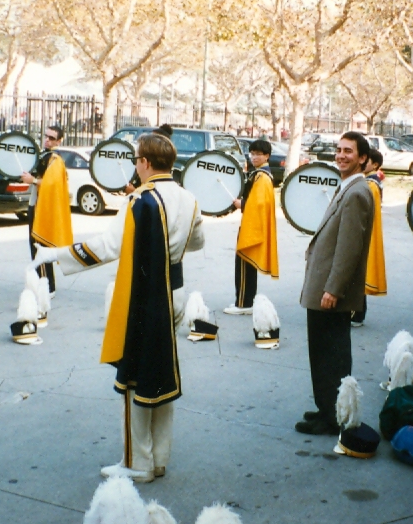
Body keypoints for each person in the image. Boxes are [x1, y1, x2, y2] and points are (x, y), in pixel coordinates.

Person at [31, 133, 204, 482]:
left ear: (145, 163)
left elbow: (108, 247)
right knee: (162, 371)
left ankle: (137, 464)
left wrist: (56, 254)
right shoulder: (189, 198)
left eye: (136, 160)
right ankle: (159, 458)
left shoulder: (139, 200)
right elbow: (197, 242)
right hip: (176, 291)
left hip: (144, 295)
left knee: (136, 378)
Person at [297, 132, 374, 435]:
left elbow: (349, 249)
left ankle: (334, 417)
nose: (341, 155)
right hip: (324, 286)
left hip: (330, 290)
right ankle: (326, 408)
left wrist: (334, 289)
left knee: (331, 355)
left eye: (349, 152)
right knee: (322, 352)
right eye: (339, 150)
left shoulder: (357, 193)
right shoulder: (348, 187)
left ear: (363, 158)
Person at [224, 139, 278, 315]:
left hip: (252, 227)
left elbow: (259, 204)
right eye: (252, 153)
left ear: (267, 156)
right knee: (246, 266)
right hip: (253, 224)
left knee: (244, 264)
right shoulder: (262, 174)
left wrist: (242, 204)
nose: (254, 157)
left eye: (258, 154)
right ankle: (245, 301)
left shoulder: (261, 176)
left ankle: (244, 303)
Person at [21, 124, 72, 295]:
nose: (47, 141)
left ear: (59, 140)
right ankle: (44, 284)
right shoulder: (46, 157)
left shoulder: (56, 160)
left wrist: (32, 181)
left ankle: (47, 286)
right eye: (46, 136)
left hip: (42, 208)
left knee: (40, 246)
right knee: (37, 247)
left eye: (52, 138)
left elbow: (52, 184)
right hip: (37, 204)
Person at [352, 148, 386, 327]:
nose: (362, 164)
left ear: (375, 165)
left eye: (366, 162)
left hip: (364, 232)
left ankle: (356, 315)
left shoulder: (371, 184)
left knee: (358, 274)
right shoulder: (372, 182)